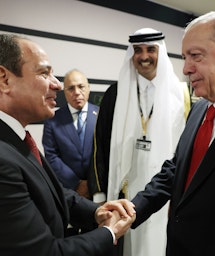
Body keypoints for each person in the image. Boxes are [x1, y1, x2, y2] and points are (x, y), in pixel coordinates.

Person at [131, 10, 215, 256]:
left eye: (196, 56)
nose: (186, 69)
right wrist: (134, 208)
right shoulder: (199, 109)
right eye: (185, 57)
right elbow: (177, 169)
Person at [0, 33, 135, 256]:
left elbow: (49, 190)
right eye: (44, 73)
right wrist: (109, 232)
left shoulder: (18, 138)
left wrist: (97, 210)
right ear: (5, 79)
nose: (57, 85)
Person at [89, 28, 189, 256]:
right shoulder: (115, 94)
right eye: (137, 50)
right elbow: (99, 146)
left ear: (160, 52)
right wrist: (99, 196)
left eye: (150, 49)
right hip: (123, 194)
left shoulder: (180, 94)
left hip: (164, 195)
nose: (144, 56)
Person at [42, 69, 99, 200]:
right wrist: (77, 183)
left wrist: (93, 183)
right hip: (69, 191)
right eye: (71, 88)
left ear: (89, 88)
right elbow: (51, 156)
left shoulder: (102, 116)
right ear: (65, 92)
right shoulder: (52, 120)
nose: (77, 92)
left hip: (99, 189)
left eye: (81, 87)